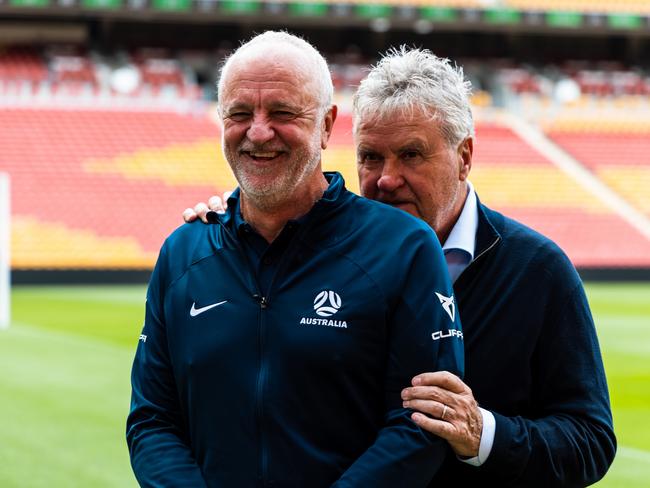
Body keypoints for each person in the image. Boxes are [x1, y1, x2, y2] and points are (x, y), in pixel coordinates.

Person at [186, 46, 616, 486]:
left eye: (411, 155)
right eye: (370, 157)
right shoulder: (318, 253)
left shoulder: (536, 270)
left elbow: (591, 439)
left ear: (464, 157)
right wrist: (232, 218)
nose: (386, 179)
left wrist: (483, 434)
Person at [127, 32, 464, 487]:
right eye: (240, 113)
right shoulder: (183, 252)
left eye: (283, 113)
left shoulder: (404, 247)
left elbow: (421, 425)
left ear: (326, 126)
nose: (259, 132)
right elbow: (152, 420)